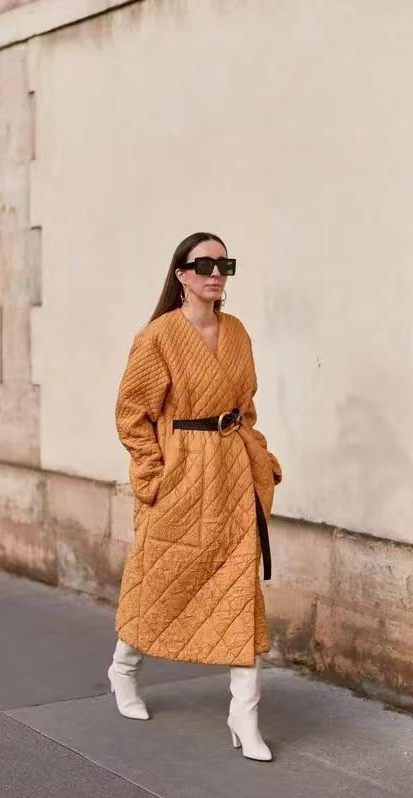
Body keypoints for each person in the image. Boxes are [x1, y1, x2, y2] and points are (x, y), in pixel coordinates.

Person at [109, 231, 282, 761]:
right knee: (159, 579)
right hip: (181, 475)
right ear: (181, 274)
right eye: (204, 264)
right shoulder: (158, 336)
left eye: (224, 264)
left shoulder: (238, 332)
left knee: (240, 590)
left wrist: (257, 454)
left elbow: (245, 408)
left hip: (231, 474)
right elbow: (132, 415)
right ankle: (123, 669)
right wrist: (153, 475)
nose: (215, 274)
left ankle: (244, 715)